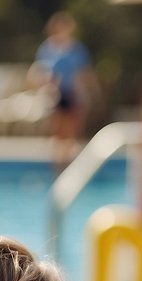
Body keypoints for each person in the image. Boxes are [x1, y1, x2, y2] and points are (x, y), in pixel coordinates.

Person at [30, 12, 99, 171]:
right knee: (57, 130)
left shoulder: (77, 49)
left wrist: (91, 92)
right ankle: (57, 164)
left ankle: (68, 163)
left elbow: (84, 72)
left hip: (73, 93)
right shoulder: (48, 48)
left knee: (72, 130)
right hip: (55, 94)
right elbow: (40, 71)